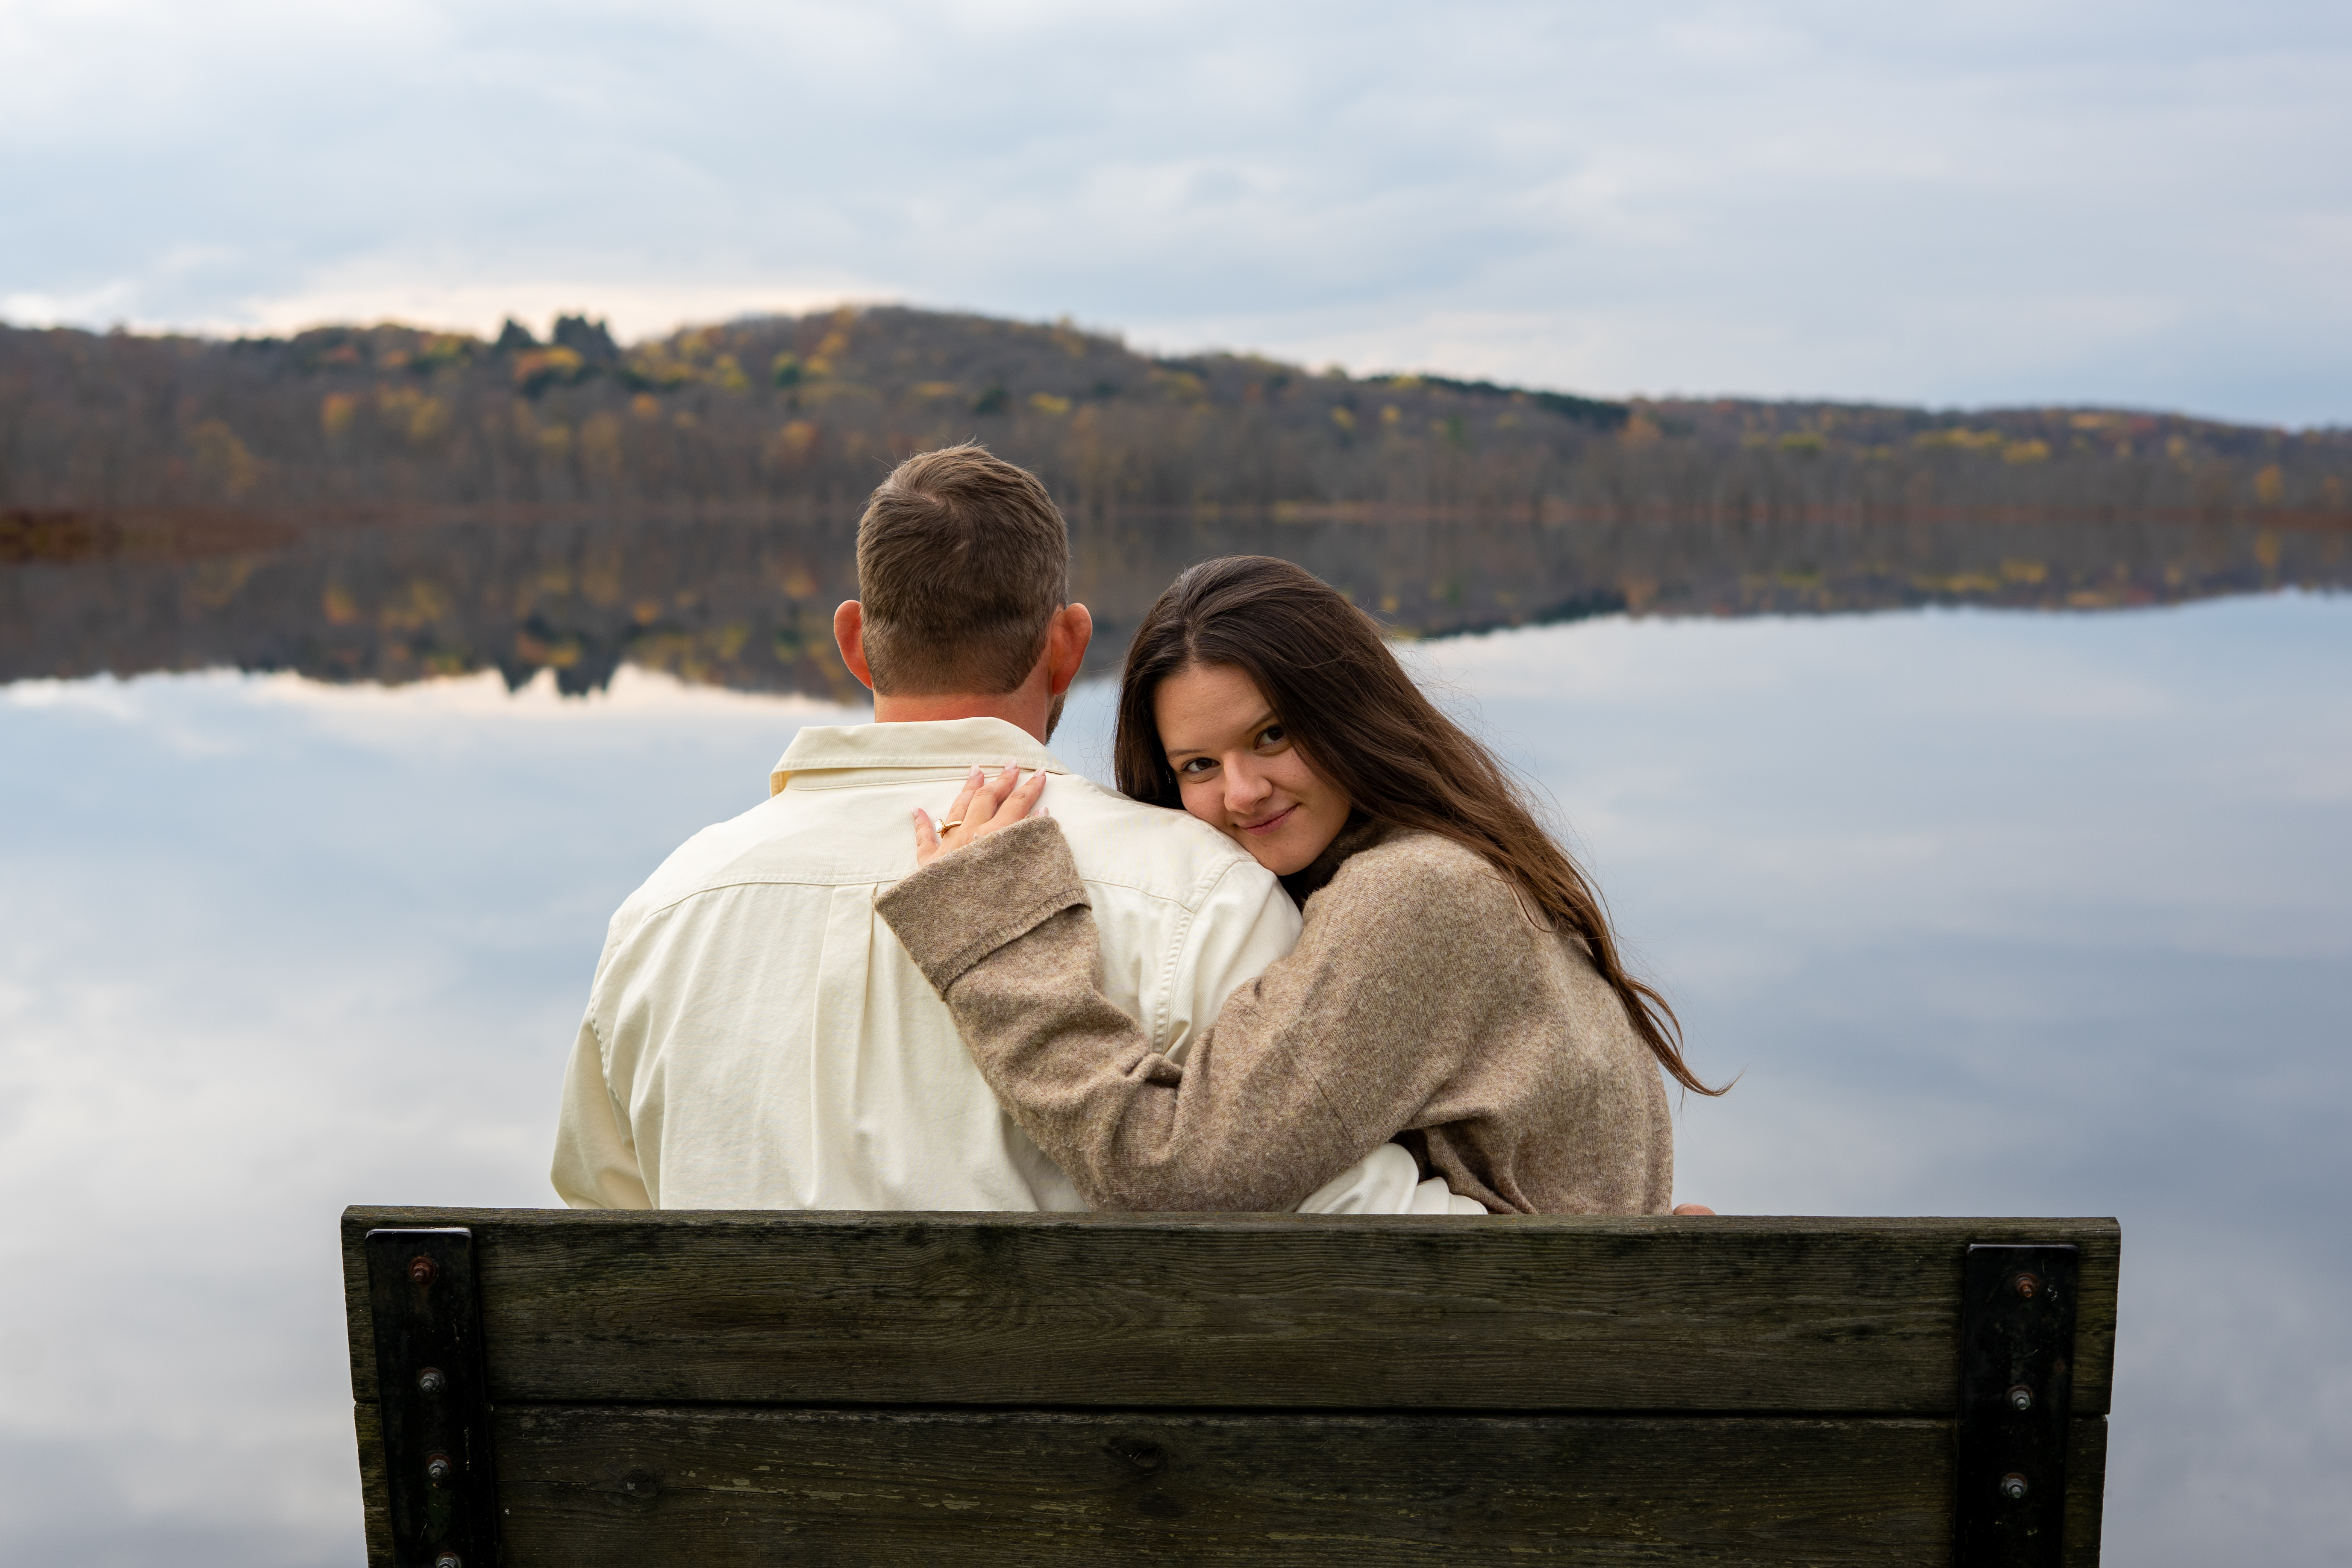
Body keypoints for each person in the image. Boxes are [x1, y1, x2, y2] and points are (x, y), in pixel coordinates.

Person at [550, 448, 1467, 1214]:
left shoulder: (666, 909)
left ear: (856, 642)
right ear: (1067, 644)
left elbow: (605, 1216)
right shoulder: (1199, 890)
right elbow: (1360, 1235)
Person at [876, 554, 1726, 1215]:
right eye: (1199, 765)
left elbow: (1175, 1171)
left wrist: (996, 940)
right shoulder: (1457, 863)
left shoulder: (1414, 895)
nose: (1242, 791)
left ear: (1348, 710)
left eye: (1272, 735)